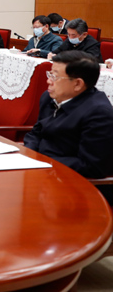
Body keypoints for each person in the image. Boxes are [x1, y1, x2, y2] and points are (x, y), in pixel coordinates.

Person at [23, 51, 113, 205]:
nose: (49, 81)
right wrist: (29, 155)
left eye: (55, 76)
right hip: (44, 174)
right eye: (50, 74)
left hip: (77, 192)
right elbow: (36, 133)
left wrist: (42, 160)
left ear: (78, 84)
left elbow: (92, 167)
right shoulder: (50, 97)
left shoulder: (98, 113)